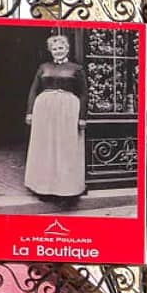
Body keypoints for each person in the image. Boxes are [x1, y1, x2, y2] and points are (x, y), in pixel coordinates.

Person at [24, 33, 88, 201]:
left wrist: (82, 117)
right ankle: (43, 188)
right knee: (45, 147)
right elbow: (33, 90)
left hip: (68, 110)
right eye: (55, 49)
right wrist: (30, 112)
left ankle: (65, 189)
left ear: (67, 49)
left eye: (61, 48)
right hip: (44, 110)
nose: (58, 51)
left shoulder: (76, 68)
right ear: (50, 51)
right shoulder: (43, 67)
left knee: (65, 148)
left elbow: (83, 94)